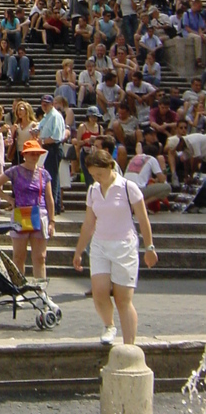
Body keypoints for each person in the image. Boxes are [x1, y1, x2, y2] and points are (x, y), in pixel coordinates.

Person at [73, 147, 158, 345]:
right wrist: (79, 251)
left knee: (123, 299)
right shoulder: (93, 189)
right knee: (99, 291)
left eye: (100, 174)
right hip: (100, 245)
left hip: (124, 246)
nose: (97, 178)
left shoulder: (129, 187)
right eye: (93, 175)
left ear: (111, 167)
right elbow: (88, 223)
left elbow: (143, 219)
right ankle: (109, 325)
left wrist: (150, 247)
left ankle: (130, 345)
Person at [0, 139, 56, 281]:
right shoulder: (15, 170)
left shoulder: (44, 174)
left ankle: (41, 290)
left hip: (40, 213)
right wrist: (8, 199)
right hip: (21, 213)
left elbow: (49, 199)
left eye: (37, 153)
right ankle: (18, 288)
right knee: (19, 256)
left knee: (40, 257)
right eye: (31, 153)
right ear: (24, 155)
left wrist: (52, 221)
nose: (34, 156)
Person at [37, 93, 67, 212]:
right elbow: (40, 127)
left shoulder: (55, 116)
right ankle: (56, 205)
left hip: (53, 148)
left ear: (52, 104)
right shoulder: (47, 115)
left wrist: (42, 140)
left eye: (47, 104)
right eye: (43, 104)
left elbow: (56, 137)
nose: (44, 106)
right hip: (47, 147)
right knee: (53, 176)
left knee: (52, 177)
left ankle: (53, 206)